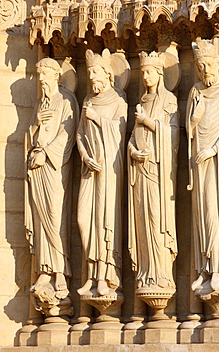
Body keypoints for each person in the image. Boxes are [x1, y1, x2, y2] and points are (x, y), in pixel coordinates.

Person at [186, 40, 219, 291]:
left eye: (207, 64)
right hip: (199, 160)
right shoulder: (196, 92)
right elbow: (188, 128)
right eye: (199, 66)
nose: (204, 70)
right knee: (200, 217)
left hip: (218, 160)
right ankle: (204, 267)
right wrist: (194, 120)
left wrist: (213, 150)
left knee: (214, 211)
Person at [25, 57, 79, 300]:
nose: (41, 79)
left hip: (55, 166)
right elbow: (32, 135)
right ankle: (45, 269)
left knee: (56, 217)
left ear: (56, 75)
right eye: (39, 75)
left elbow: (68, 135)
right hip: (39, 166)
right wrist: (35, 128)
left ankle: (61, 270)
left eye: (45, 74)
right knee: (40, 218)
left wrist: (46, 154)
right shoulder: (40, 104)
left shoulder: (67, 101)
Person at [77, 49, 127, 296]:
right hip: (90, 168)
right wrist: (85, 156)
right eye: (89, 72)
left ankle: (105, 275)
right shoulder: (87, 101)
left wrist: (97, 119)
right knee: (83, 219)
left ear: (107, 74)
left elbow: (119, 133)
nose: (91, 76)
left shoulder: (118, 102)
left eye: (95, 71)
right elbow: (79, 133)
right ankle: (90, 272)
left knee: (104, 220)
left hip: (109, 169)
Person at [128, 51, 179, 290]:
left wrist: (147, 121)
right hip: (140, 170)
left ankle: (161, 275)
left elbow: (173, 133)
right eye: (143, 72)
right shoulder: (141, 103)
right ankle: (146, 272)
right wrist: (132, 152)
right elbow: (131, 138)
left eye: (150, 71)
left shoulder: (168, 100)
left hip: (159, 173)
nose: (146, 76)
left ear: (160, 73)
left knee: (157, 219)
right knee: (142, 221)